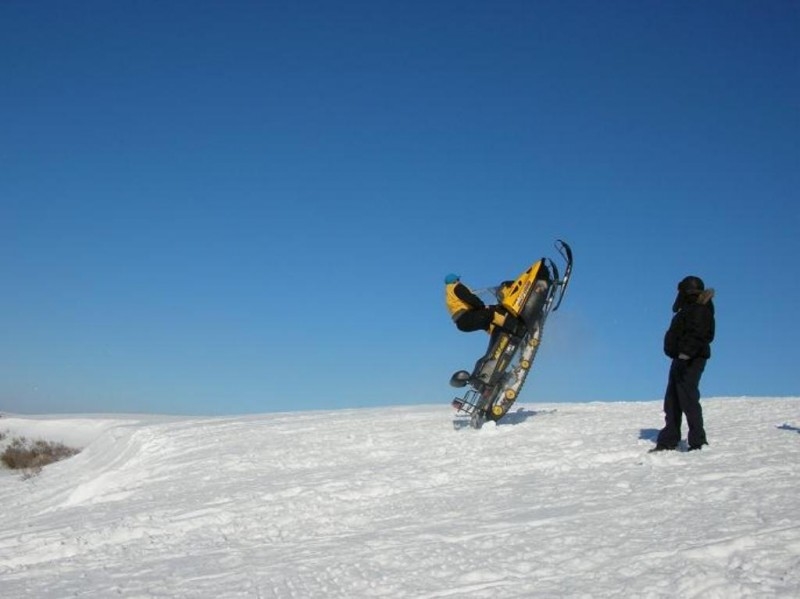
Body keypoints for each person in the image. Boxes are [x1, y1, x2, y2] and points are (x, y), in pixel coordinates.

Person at [653, 275, 716, 452]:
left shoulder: (700, 309)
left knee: (688, 398)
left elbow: (700, 335)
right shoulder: (688, 309)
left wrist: (686, 353)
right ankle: (668, 441)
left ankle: (698, 442)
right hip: (680, 359)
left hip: (691, 360)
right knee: (672, 400)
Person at [443, 273, 522, 336]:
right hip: (466, 317)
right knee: (491, 312)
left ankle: (500, 341)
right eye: (458, 279)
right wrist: (482, 306)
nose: (460, 281)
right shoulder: (457, 287)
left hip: (461, 323)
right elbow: (470, 298)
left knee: (488, 324)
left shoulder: (449, 295)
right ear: (455, 281)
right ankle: (517, 328)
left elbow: (463, 305)